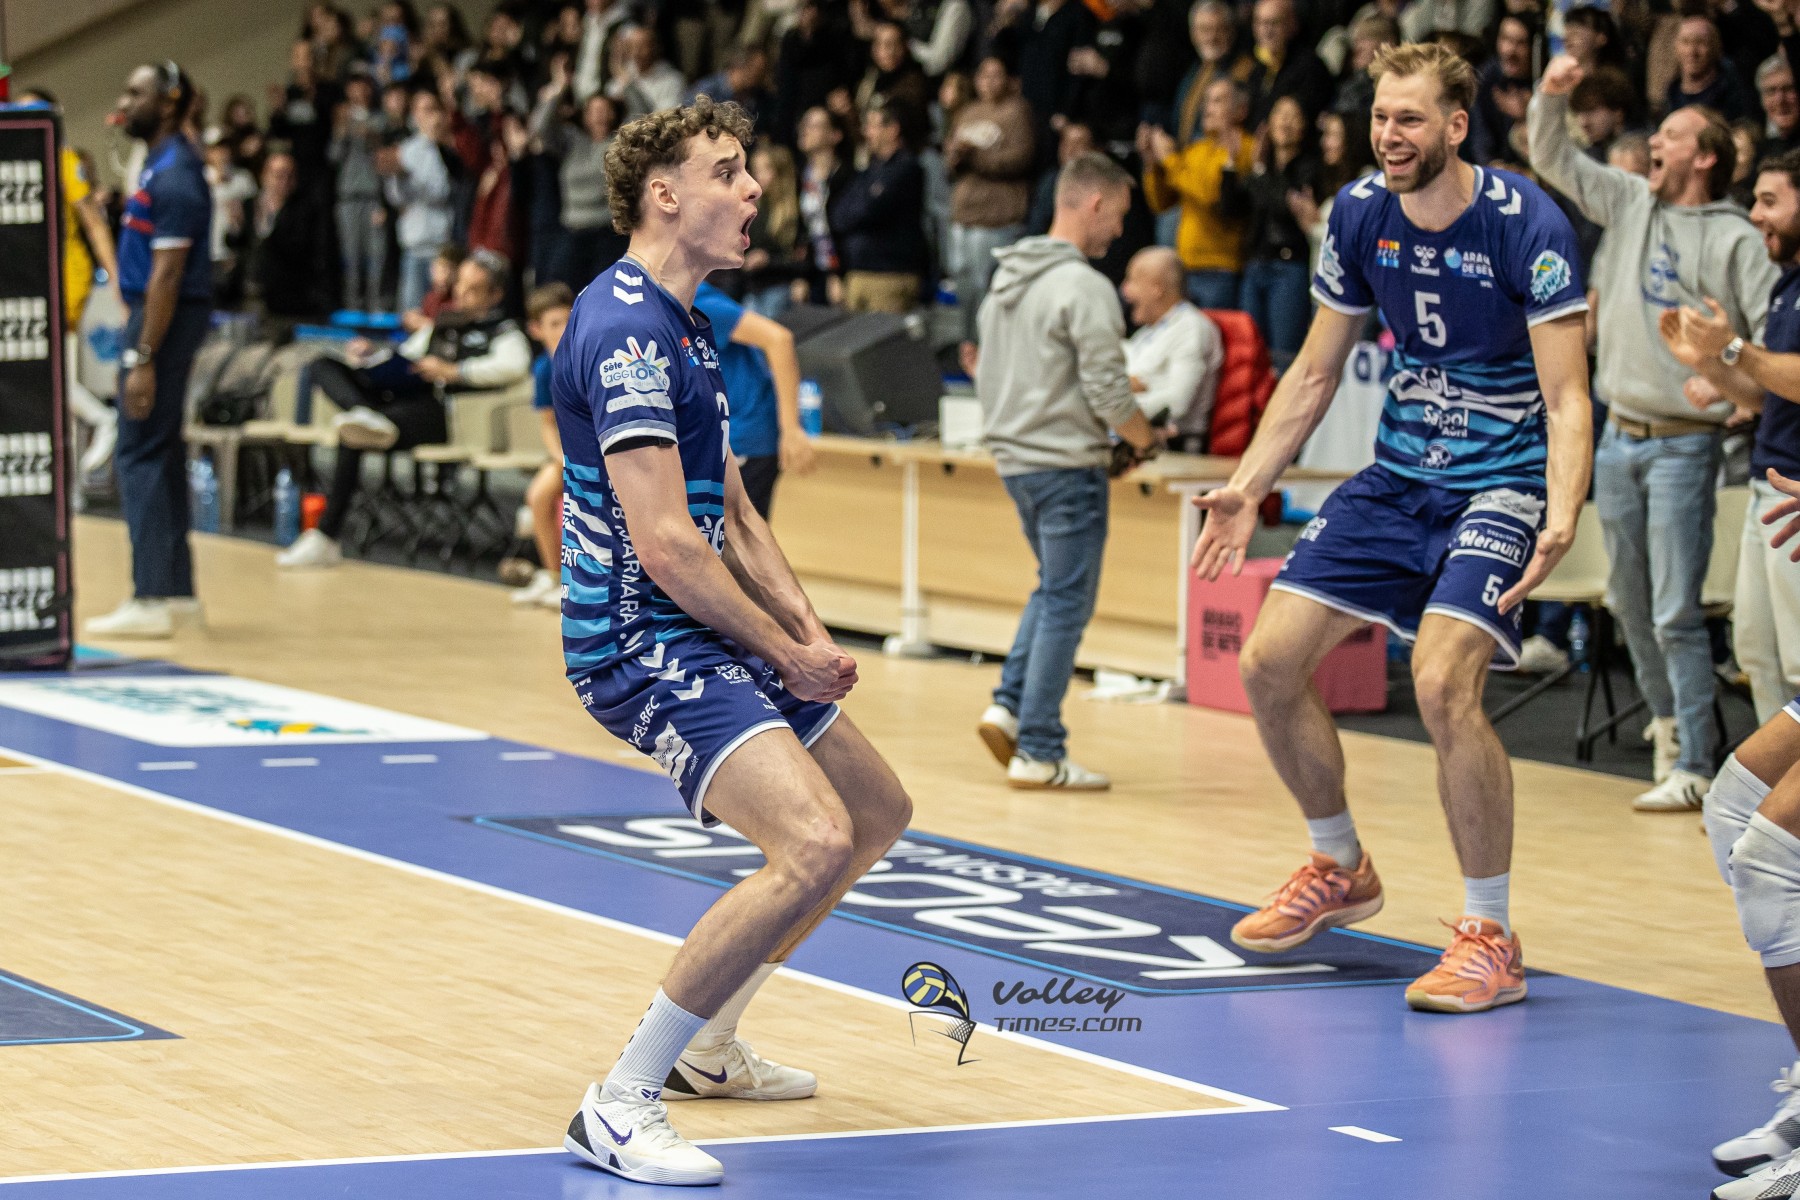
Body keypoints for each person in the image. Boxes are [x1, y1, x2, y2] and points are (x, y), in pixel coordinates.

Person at [550, 97, 912, 1188]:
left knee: (875, 813)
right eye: (728, 171)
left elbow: (737, 514)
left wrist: (806, 631)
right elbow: (668, 544)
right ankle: (620, 1102)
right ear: (664, 195)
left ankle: (709, 1044)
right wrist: (783, 652)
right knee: (812, 840)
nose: (754, 188)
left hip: (706, 623)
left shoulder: (692, 322)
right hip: (637, 639)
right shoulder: (623, 330)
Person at [1192, 43, 1593, 1013]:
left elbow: (1569, 396)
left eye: (1409, 119)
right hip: (1399, 478)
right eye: (1380, 116)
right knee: (1267, 664)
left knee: (1443, 683)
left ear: (1456, 125)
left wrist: (1563, 509)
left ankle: (1490, 936)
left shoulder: (1528, 225)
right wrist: (1248, 484)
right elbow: (1315, 371)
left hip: (1501, 484)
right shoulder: (1359, 213)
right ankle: (1339, 866)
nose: (1388, 135)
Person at [1531, 54, 1780, 811]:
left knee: (1676, 609)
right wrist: (1550, 97)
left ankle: (1699, 762)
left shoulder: (1737, 239)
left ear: (1704, 156)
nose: (1655, 142)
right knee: (1627, 602)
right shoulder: (1632, 200)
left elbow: (1771, 342)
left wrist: (1730, 378)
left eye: (1671, 135)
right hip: (1618, 434)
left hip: (1685, 441)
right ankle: (1669, 728)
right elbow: (1553, 159)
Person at [970, 152, 1162, 790]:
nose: (1120, 231)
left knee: (1052, 589)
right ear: (1095, 203)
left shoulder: (1006, 280)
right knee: (1067, 602)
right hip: (1065, 465)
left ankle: (1008, 705)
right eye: (1120, 216)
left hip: (1015, 461)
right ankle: (1041, 749)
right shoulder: (1083, 286)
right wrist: (1144, 438)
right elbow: (1109, 391)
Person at [277, 249, 531, 568]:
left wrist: (455, 371)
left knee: (353, 433)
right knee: (323, 366)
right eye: (459, 285)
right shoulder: (441, 325)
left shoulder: (503, 332)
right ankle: (364, 411)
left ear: (495, 295)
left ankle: (326, 536)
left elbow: (514, 366)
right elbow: (406, 354)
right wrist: (371, 356)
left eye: (473, 289)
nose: (461, 294)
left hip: (443, 414)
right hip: (399, 397)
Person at [1659, 151, 1800, 724]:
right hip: (1768, 484)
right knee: (1759, 656)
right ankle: (1776, 778)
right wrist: (1709, 363)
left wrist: (1734, 348)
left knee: (1798, 664)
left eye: (1769, 202)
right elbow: (1767, 397)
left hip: (1795, 495)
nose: (1756, 215)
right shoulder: (1786, 285)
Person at [87, 62, 215, 641]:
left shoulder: (177, 175)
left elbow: (167, 276)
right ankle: (178, 595)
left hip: (163, 318)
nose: (123, 102)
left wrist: (141, 357)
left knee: (138, 449)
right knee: (160, 450)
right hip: (159, 313)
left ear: (167, 103)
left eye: (135, 93)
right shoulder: (161, 164)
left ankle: (151, 594)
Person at [15, 89, 122, 484]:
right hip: (34, 278)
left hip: (64, 277)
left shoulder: (63, 160)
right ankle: (69, 483)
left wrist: (115, 278)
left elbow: (93, 221)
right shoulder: (19, 163)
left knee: (48, 372)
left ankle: (102, 417)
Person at [692, 280, 817, 518]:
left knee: (738, 534)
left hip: (746, 436)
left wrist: (791, 429)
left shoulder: (698, 302)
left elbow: (779, 340)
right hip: (722, 435)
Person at [1141, 79, 1255, 309]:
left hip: (1220, 271)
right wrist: (1153, 165)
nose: (1208, 109)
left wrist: (1169, 159)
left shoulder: (1245, 148)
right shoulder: (1196, 150)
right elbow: (1162, 203)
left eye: (1218, 101)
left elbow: (1210, 195)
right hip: (1185, 268)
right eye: (1206, 101)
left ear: (1240, 111)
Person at [945, 57, 1035, 345]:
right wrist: (956, 156)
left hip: (997, 216)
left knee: (989, 288)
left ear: (1009, 80)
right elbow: (949, 161)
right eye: (984, 75)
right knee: (963, 285)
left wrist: (976, 156)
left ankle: (991, 347)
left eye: (997, 75)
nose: (989, 81)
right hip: (964, 214)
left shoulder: (1018, 112)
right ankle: (968, 344)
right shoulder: (967, 112)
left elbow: (1020, 159)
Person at [1231, 94, 1319, 369]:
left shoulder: (1309, 168)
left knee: (1283, 357)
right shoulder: (1262, 168)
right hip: (1255, 264)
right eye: (1280, 114)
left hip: (1289, 267)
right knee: (1250, 356)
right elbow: (1231, 207)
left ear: (1304, 127)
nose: (1285, 122)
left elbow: (1284, 205)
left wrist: (1258, 174)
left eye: (1293, 116)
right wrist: (1231, 165)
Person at [830, 102, 927, 313]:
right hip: (858, 273)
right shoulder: (868, 171)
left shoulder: (907, 168)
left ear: (893, 129)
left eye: (873, 126)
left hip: (890, 276)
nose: (867, 132)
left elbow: (870, 210)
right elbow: (838, 214)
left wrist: (859, 211)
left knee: (884, 335)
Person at [514, 282, 575, 610]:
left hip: (599, 453)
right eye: (553, 323)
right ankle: (552, 576)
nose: (562, 329)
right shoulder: (543, 369)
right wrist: (560, 457)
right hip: (568, 455)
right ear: (536, 330)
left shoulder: (587, 359)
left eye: (567, 320)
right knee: (538, 495)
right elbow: (548, 423)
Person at [1121, 245, 1223, 439]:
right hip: (1133, 435)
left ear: (1156, 288)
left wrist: (1112, 405)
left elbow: (1178, 403)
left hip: (1174, 444)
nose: (1125, 291)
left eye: (1132, 280)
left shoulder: (1192, 328)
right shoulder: (1148, 332)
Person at [382, 86, 454, 312]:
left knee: (438, 312)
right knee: (411, 312)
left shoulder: (448, 149)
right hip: (413, 244)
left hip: (441, 245)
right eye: (422, 110)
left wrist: (409, 177)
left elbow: (442, 192)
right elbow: (396, 198)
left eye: (432, 109)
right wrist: (397, 175)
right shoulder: (407, 150)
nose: (428, 116)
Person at [1667, 13, 1756, 124]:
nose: (1692, 51)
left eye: (1700, 42)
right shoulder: (1671, 94)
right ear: (1675, 47)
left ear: (1715, 47)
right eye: (1685, 42)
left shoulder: (1735, 93)